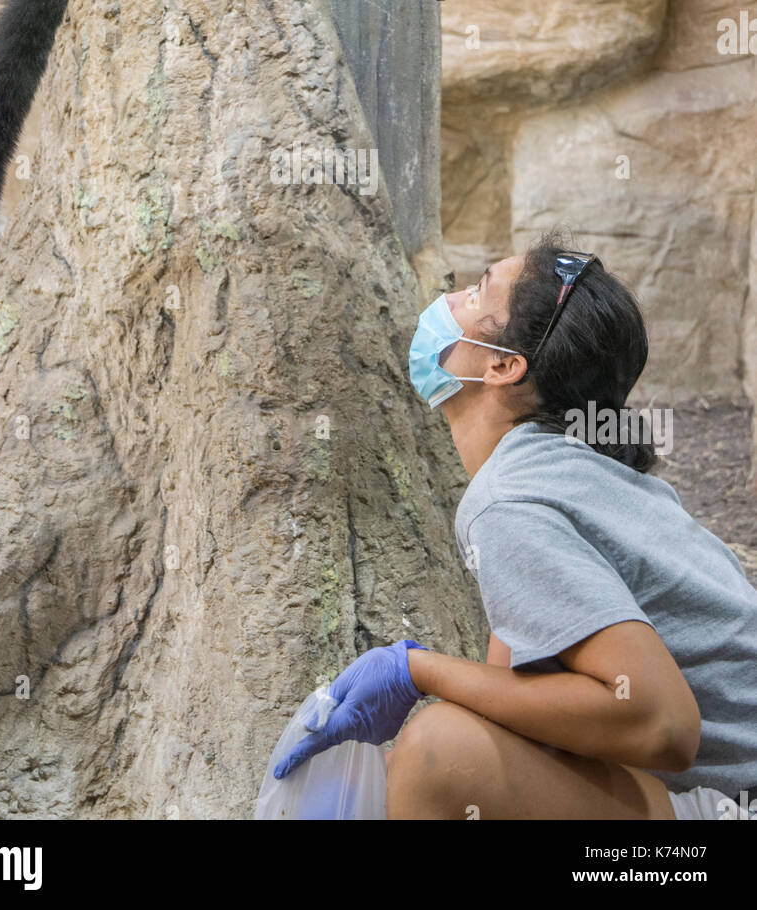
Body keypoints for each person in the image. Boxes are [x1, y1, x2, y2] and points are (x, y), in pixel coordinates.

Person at [273, 232, 757, 820]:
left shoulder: (510, 499)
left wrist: (418, 670)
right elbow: (515, 701)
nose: (447, 299)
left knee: (441, 751)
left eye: (477, 292)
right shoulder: (564, 473)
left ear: (503, 365)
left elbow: (664, 725)